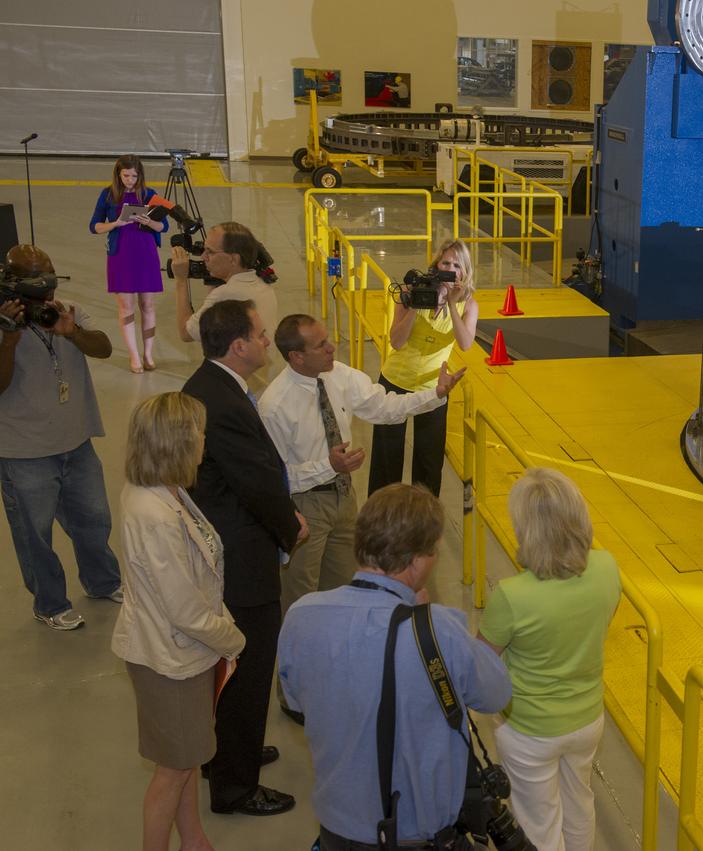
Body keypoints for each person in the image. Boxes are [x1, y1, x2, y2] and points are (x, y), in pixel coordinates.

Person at [279, 484, 511, 850]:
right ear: (416, 561)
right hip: (415, 834)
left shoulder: (301, 616)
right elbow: (496, 693)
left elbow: (296, 701)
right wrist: (423, 616)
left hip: (338, 829)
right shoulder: (437, 630)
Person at [259, 313, 466, 722]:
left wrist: (435, 394)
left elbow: (384, 406)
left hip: (343, 501)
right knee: (300, 603)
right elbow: (275, 476)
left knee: (346, 594)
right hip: (302, 507)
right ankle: (294, 694)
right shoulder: (274, 405)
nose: (331, 347)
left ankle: (339, 677)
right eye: (320, 345)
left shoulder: (339, 376)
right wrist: (327, 466)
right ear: (296, 357)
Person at [182, 299, 304, 817]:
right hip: (242, 559)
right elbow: (256, 481)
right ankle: (236, 786)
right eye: (259, 335)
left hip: (224, 547)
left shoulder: (211, 387)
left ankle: (232, 751)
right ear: (237, 346)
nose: (266, 341)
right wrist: (290, 526)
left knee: (231, 668)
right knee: (248, 669)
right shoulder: (225, 404)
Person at [112, 392, 245, 851]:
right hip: (170, 661)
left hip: (182, 653)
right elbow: (184, 610)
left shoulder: (166, 490)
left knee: (185, 758)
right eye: (199, 432)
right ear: (177, 442)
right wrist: (233, 638)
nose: (205, 439)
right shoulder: (153, 514)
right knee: (172, 771)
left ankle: (192, 838)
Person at [478, 467, 621, 851]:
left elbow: (480, 666)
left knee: (539, 825)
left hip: (530, 730)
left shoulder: (512, 595)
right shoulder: (607, 568)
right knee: (579, 804)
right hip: (587, 719)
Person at [0, 244, 122, 630]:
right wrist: (9, 339)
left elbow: (104, 348)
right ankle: (50, 604)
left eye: (50, 275)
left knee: (95, 520)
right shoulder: (3, 324)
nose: (47, 288)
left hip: (77, 442)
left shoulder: (67, 311)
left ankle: (103, 582)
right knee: (35, 536)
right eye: (37, 279)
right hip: (24, 452)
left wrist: (73, 333)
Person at [368, 239, 479, 497]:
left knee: (428, 462)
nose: (450, 269)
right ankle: (382, 513)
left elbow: (465, 343)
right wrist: (416, 307)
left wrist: (451, 305)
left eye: (456, 265)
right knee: (387, 458)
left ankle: (423, 516)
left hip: (434, 388)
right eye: (445, 263)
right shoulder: (412, 291)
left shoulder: (469, 304)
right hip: (395, 380)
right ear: (436, 265)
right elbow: (396, 342)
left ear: (465, 271)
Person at [89, 155, 168, 373]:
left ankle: (148, 353)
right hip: (120, 254)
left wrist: (149, 221)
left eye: (134, 176)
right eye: (126, 175)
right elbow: (94, 226)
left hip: (145, 253)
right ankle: (134, 355)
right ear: (118, 174)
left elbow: (164, 226)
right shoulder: (108, 194)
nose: (130, 180)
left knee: (148, 305)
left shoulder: (150, 194)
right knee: (126, 306)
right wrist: (116, 223)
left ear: (140, 175)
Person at [172, 221, 278, 350]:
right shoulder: (263, 284)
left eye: (210, 252)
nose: (203, 256)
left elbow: (186, 333)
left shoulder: (226, 294)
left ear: (233, 259)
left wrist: (181, 279)